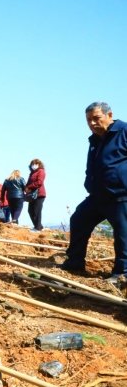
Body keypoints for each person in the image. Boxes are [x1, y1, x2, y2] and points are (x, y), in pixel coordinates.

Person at [60, 102, 127, 282]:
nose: (92, 123)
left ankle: (122, 273)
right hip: (97, 195)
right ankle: (75, 262)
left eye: (96, 118)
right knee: (79, 219)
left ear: (109, 115)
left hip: (120, 196)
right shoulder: (94, 139)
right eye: (88, 120)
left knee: (123, 233)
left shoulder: (124, 131)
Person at [26, 159, 46, 232]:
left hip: (39, 194)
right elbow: (28, 182)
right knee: (30, 211)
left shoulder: (41, 171)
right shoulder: (32, 173)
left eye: (36, 164)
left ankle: (38, 228)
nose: (34, 166)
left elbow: (39, 182)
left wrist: (29, 187)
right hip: (32, 195)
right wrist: (25, 188)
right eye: (33, 164)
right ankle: (38, 226)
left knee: (37, 211)